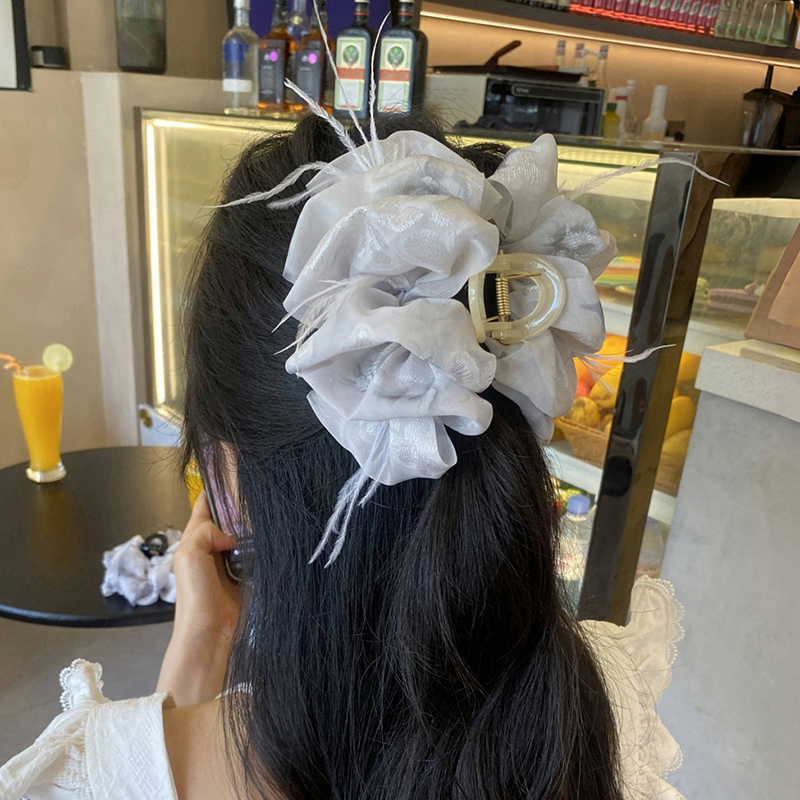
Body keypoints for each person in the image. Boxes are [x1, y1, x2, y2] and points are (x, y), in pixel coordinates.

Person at [0, 113, 685, 800]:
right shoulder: (597, 715)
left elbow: (147, 778)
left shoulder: (87, 777)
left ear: (226, 476)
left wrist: (197, 652)